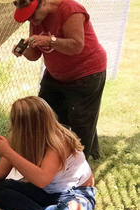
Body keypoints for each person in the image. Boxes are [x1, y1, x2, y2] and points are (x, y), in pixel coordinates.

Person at [0, 96, 96, 210]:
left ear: (27, 125)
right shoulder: (17, 137)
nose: (12, 126)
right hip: (44, 194)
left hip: (75, 194)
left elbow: (42, 180)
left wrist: (7, 152)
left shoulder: (59, 141)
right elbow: (0, 173)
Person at [12, 0, 107, 160]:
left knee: (80, 121)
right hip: (56, 74)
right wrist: (23, 51)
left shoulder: (70, 10)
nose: (31, 20)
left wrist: (51, 41)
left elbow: (76, 45)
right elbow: (35, 55)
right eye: (27, 17)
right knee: (43, 113)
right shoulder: (37, 20)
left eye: (32, 15)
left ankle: (77, 169)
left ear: (44, 3)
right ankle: (48, 155)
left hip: (86, 72)